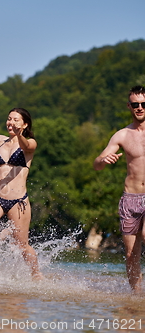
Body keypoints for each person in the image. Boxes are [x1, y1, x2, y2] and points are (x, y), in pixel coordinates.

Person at [94, 85, 145, 294]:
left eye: (143, 104)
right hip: (130, 199)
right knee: (132, 253)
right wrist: (103, 160)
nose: (140, 108)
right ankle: (136, 296)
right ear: (129, 106)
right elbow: (97, 163)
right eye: (135, 104)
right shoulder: (122, 135)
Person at [0, 108, 42, 280]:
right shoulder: (0, 144)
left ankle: (36, 275)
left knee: (22, 244)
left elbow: (26, 146)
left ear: (25, 124)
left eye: (16, 120)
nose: (11, 122)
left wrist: (20, 135)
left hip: (18, 202)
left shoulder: (30, 143)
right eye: (9, 119)